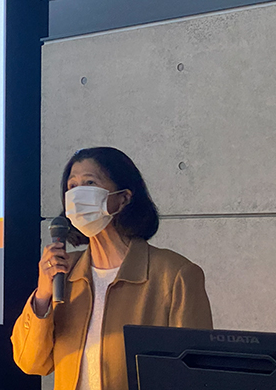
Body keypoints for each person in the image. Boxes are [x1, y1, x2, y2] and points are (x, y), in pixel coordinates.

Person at [11, 147, 212, 390]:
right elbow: (31, 363)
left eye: (90, 182)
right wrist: (43, 295)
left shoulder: (174, 275)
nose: (77, 194)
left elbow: (194, 375)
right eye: (72, 186)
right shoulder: (65, 273)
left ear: (124, 198)